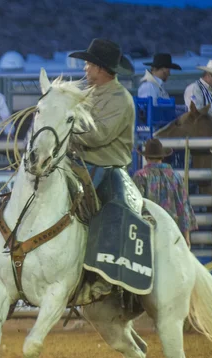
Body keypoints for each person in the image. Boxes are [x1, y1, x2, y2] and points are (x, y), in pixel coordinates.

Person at [67, 39, 141, 295]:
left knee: (96, 211)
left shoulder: (121, 99)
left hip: (105, 166)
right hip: (80, 162)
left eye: (88, 64)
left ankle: (101, 273)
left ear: (100, 68)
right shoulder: (90, 93)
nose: (85, 68)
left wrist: (66, 133)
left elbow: (98, 136)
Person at [132, 139, 198, 248]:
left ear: (146, 157)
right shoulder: (175, 176)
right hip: (172, 234)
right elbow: (183, 207)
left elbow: (135, 207)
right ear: (162, 157)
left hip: (148, 235)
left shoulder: (140, 176)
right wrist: (186, 237)